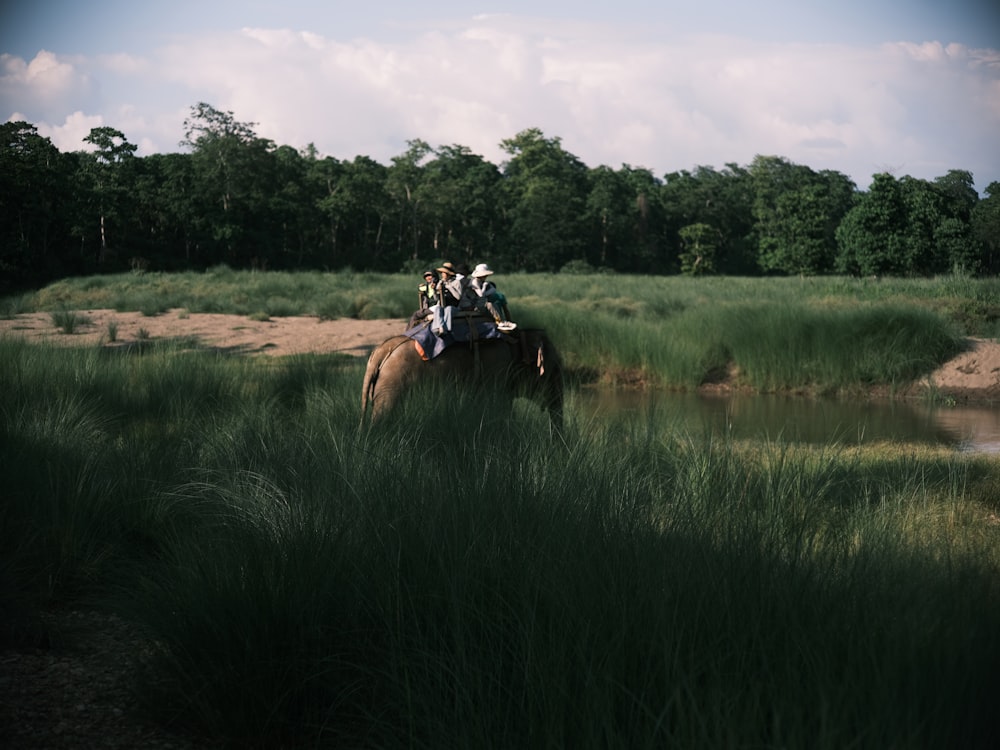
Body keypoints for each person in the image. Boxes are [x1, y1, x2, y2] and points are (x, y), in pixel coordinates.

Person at [430, 261, 475, 335]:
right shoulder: (441, 283)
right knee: (438, 309)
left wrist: (449, 287)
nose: (442, 274)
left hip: (454, 306)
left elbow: (458, 297)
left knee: (449, 309)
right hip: (442, 305)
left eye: (443, 273)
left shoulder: (456, 282)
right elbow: (436, 298)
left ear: (448, 274)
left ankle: (446, 329)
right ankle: (437, 328)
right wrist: (434, 290)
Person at [470, 263, 517, 331]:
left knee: (494, 305)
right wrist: (484, 287)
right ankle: (500, 322)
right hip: (476, 305)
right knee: (489, 304)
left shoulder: (482, 282)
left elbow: (493, 290)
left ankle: (500, 321)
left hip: (481, 304)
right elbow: (481, 295)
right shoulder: (475, 282)